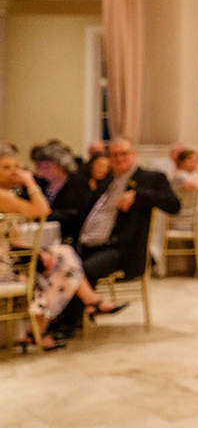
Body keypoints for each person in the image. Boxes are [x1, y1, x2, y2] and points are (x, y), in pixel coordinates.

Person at [0, 147, 124, 349]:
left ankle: (43, 328)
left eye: (16, 166)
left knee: (61, 255)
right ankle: (42, 328)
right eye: (6, 168)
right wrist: (30, 183)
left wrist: (37, 252)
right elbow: (42, 210)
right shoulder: (3, 196)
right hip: (4, 267)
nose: (14, 171)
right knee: (60, 266)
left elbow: (9, 239)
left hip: (8, 258)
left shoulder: (8, 194)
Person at [75, 137, 181, 287]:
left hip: (122, 250)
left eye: (124, 153)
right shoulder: (106, 180)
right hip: (88, 244)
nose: (119, 158)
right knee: (57, 266)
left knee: (81, 272)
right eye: (114, 155)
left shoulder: (150, 178)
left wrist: (138, 195)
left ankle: (89, 301)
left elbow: (174, 205)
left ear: (134, 154)